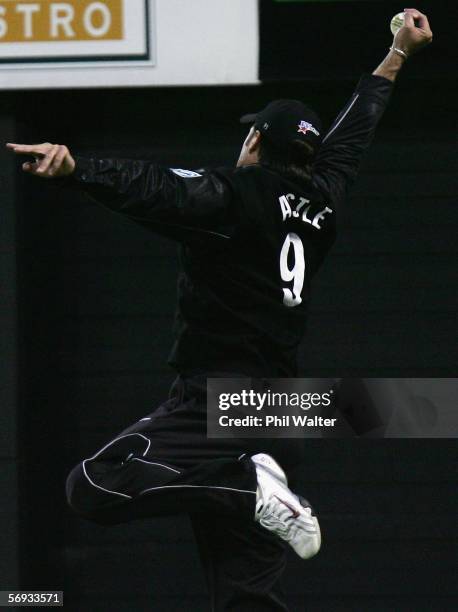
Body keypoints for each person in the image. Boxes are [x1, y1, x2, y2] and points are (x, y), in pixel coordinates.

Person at [7, 10, 432, 611]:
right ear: (309, 159)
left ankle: (244, 488)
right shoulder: (324, 200)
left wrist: (80, 169)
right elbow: (355, 132)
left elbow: (158, 187)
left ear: (255, 140)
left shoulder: (235, 197)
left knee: (94, 486)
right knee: (247, 593)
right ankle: (254, 487)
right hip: (280, 410)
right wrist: (398, 54)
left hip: (217, 402)